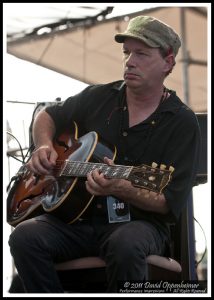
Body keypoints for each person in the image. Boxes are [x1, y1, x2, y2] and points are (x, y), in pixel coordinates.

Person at [8, 15, 201, 293]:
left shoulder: (181, 122)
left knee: (126, 244)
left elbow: (167, 202)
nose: (130, 62)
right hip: (76, 223)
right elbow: (46, 115)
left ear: (168, 62)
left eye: (142, 54)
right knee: (25, 237)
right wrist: (44, 147)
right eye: (127, 53)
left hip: (139, 225)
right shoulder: (100, 96)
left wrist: (124, 189)